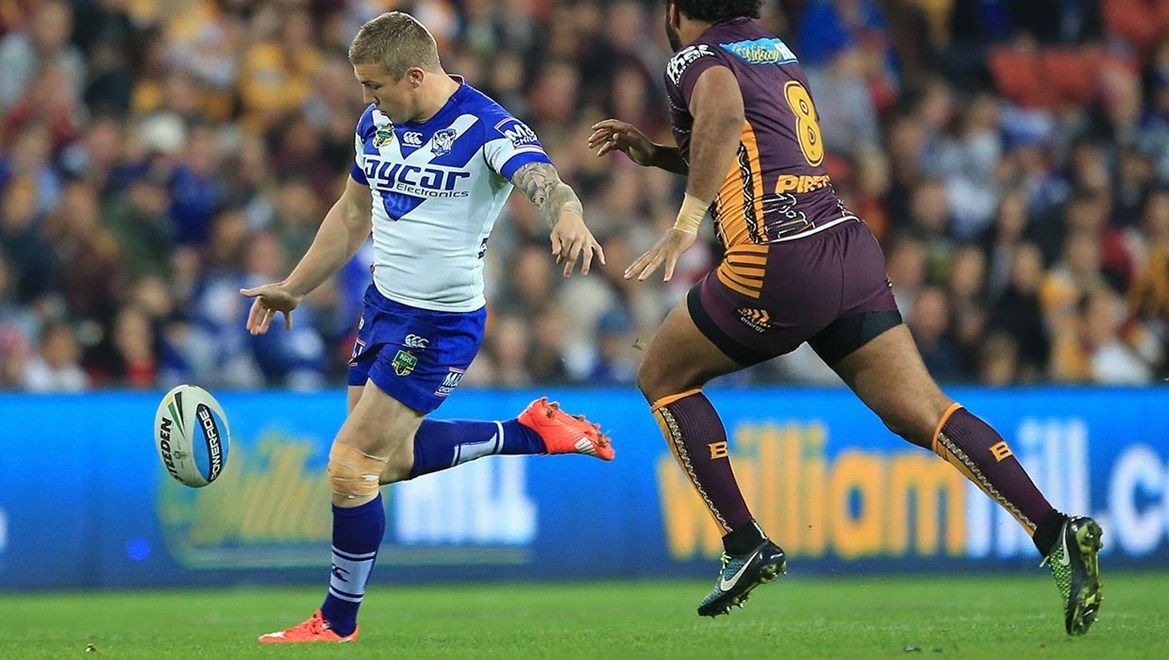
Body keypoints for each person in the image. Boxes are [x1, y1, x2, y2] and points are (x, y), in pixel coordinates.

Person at [587, 0, 1102, 636]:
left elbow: (722, 112)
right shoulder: (770, 49)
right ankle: (1053, 530)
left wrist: (684, 224)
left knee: (662, 374)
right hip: (845, 247)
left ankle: (743, 540)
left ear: (675, 9)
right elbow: (747, 146)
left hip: (777, 256)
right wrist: (657, 155)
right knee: (923, 411)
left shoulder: (696, 57)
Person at [244, 12, 613, 644]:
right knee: (386, 463)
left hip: (440, 323)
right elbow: (352, 215)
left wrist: (568, 216)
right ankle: (528, 432)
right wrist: (294, 286)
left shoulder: (488, 127)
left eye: (375, 85)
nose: (367, 98)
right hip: (383, 308)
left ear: (415, 75)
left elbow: (547, 183)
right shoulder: (376, 125)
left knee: (350, 465)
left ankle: (336, 622)